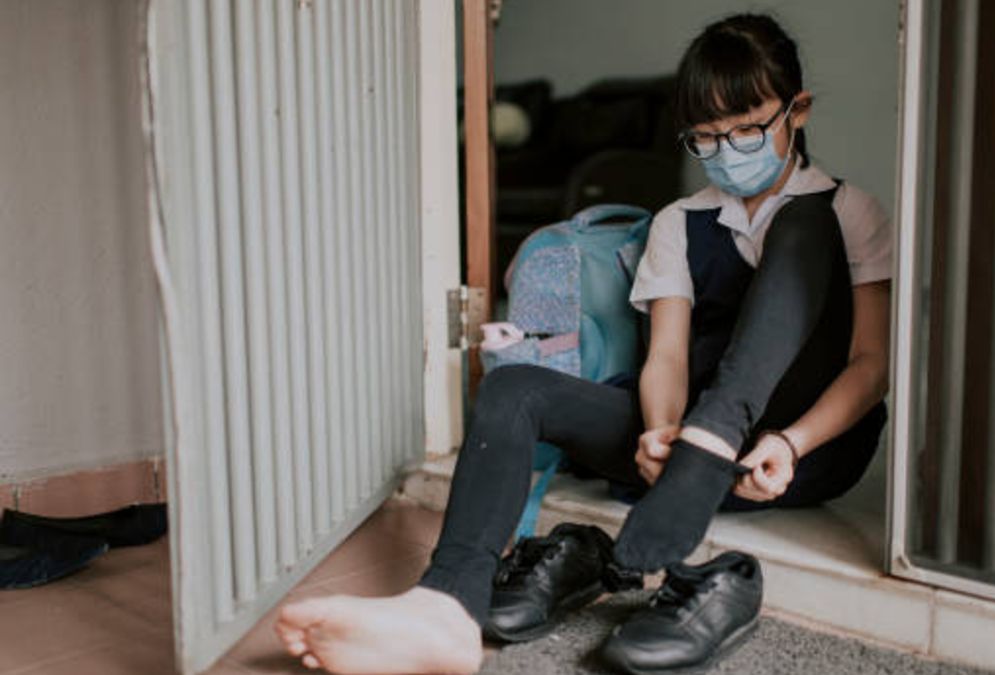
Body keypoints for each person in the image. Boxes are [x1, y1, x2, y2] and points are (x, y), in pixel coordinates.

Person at [274, 13, 891, 674]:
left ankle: (712, 440)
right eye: (707, 137)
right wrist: (660, 433)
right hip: (682, 453)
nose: (727, 149)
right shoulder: (678, 223)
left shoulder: (846, 210)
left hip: (792, 451)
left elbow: (870, 363)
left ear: (798, 110)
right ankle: (445, 607)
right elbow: (668, 355)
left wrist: (790, 442)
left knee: (804, 223)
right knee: (514, 387)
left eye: (746, 129)